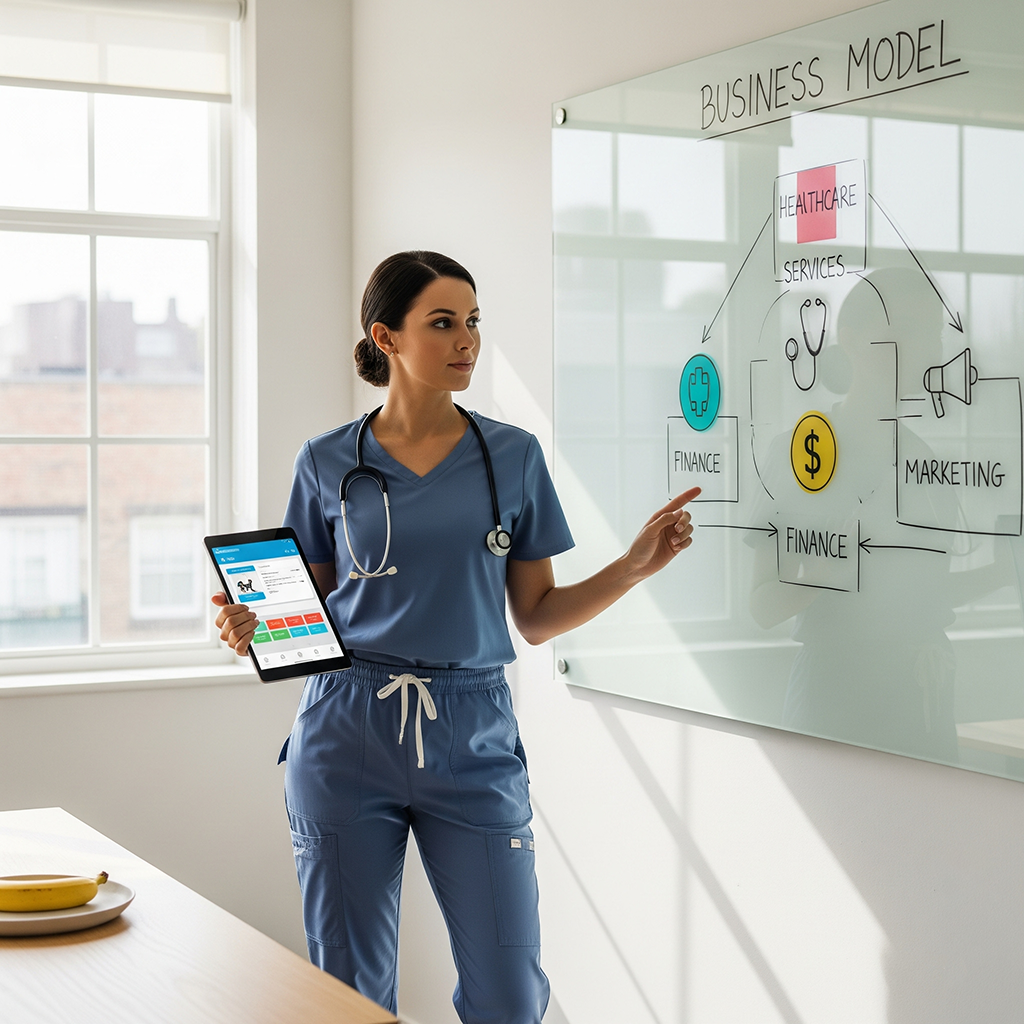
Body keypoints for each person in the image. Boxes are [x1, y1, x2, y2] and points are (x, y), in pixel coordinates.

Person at [213, 251, 699, 1024]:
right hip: (348, 727)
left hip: (472, 733)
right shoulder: (326, 459)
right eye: (443, 323)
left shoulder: (512, 457)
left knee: (508, 993)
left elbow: (535, 617)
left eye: (472, 321)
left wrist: (633, 567)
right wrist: (250, 625)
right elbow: (301, 607)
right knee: (350, 994)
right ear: (388, 336)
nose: (466, 339)